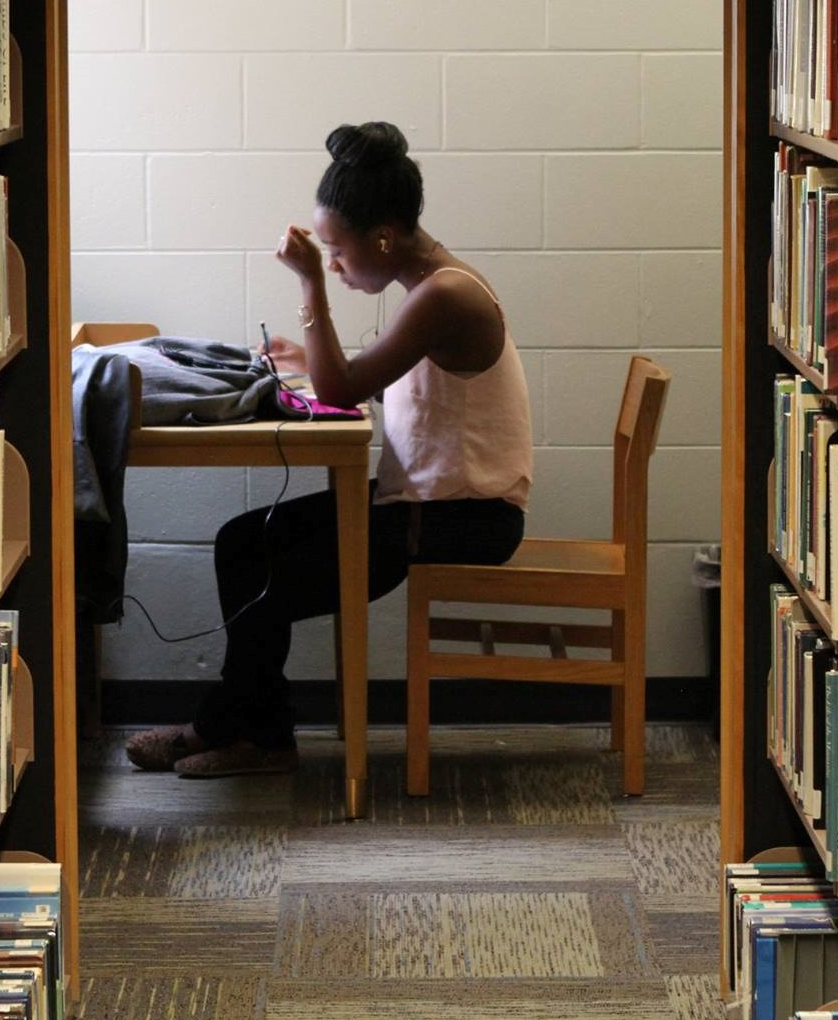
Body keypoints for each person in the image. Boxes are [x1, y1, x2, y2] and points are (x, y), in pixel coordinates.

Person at [125, 120, 534, 777]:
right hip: (428, 501)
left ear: (384, 236)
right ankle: (250, 731)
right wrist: (306, 357)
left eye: (338, 251)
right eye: (328, 255)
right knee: (241, 542)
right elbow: (384, 388)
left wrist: (311, 285)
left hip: (463, 518)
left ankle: (242, 734)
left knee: (263, 579)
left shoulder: (444, 294)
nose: (337, 263)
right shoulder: (430, 285)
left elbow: (341, 386)